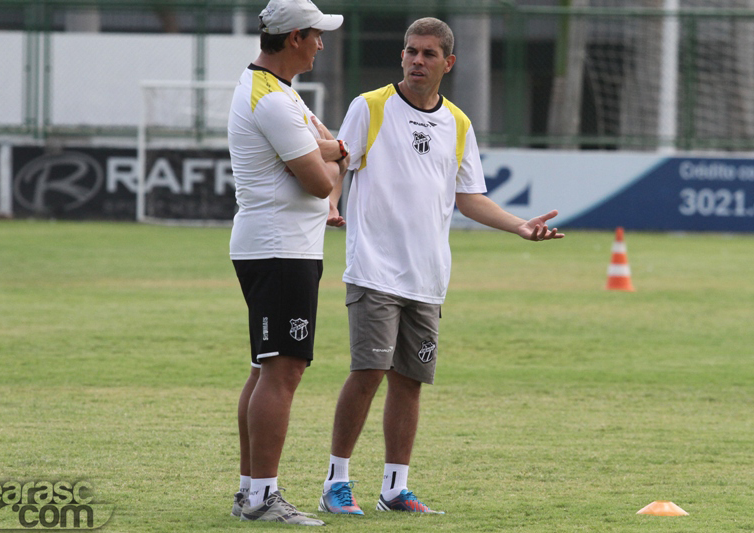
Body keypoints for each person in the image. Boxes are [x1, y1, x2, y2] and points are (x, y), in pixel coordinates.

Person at [318, 17, 565, 516]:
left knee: (410, 382)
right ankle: (335, 482)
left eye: (429, 53)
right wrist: (330, 201)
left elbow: (469, 197)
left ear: (448, 62)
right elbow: (339, 162)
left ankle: (395, 488)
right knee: (368, 372)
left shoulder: (458, 123)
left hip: (428, 278)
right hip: (374, 270)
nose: (417, 60)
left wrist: (519, 226)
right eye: (411, 51)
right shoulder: (369, 106)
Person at [227, 0, 347, 526]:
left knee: (266, 367)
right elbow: (321, 180)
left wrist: (328, 150)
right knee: (283, 369)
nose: (322, 43)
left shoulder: (278, 91)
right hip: (280, 249)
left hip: (280, 246)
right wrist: (330, 156)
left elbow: (332, 146)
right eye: (317, 34)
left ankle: (250, 492)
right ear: (295, 36)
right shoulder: (274, 101)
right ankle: (261, 497)